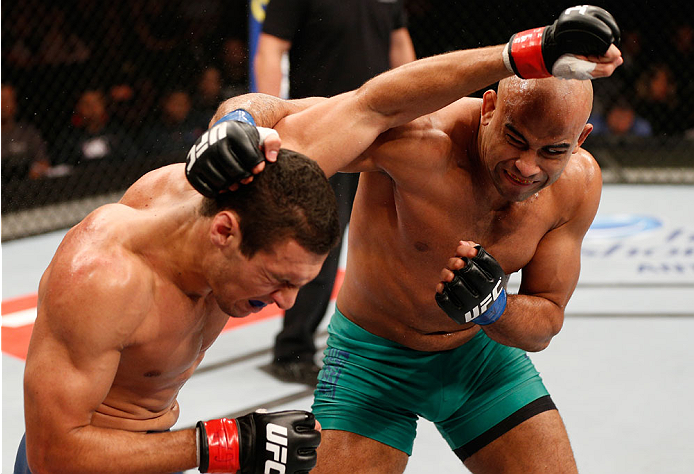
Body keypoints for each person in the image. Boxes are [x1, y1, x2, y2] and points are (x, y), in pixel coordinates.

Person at [192, 5, 623, 472]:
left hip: (480, 362)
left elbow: (546, 321)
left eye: (552, 151)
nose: (527, 166)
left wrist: (496, 307)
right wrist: (235, 123)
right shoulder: (421, 140)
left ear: (580, 139)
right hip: (371, 362)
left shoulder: (577, 185)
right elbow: (279, 114)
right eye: (515, 139)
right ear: (490, 109)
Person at [15, 132, 339, 472]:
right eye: (278, 279)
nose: (287, 302)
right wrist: (230, 442)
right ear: (225, 232)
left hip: (149, 450)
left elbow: (367, 107)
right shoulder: (101, 279)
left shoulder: (255, 196)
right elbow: (51, 453)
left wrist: (240, 119)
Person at [254, 0, 416, 385]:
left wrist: (416, 108)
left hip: (382, 128)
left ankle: (384, 340)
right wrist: (269, 121)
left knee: (391, 234)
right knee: (318, 237)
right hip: (322, 127)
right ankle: (293, 349)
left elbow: (400, 47)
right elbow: (270, 49)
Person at [1, 83, 51, 185]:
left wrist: (34, 173)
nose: (3, 105)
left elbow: (44, 163)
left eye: (7, 100)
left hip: (29, 186)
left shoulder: (28, 133)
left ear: (15, 104)